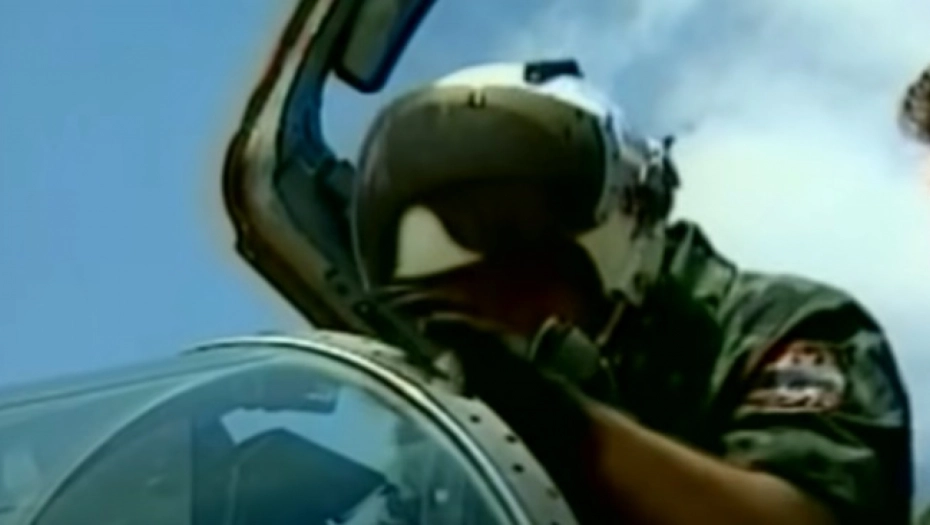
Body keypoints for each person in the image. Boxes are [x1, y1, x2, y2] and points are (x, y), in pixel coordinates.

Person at [350, 59, 913, 525]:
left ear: (631, 208)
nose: (500, 327)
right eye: (459, 312)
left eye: (519, 282)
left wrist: (574, 436)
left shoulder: (774, 329)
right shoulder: (442, 454)